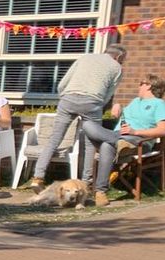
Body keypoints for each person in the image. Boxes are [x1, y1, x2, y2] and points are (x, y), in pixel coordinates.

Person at [28, 43, 127, 191]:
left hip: (68, 98)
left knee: (54, 139)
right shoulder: (117, 68)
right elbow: (108, 95)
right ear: (118, 57)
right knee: (90, 143)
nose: (121, 62)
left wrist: (65, 97)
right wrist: (98, 105)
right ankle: (86, 182)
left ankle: (38, 177)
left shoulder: (85, 57)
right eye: (122, 60)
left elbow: (63, 84)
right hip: (92, 102)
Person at [79, 73, 165, 207]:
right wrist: (117, 106)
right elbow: (122, 114)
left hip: (138, 140)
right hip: (118, 136)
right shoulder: (135, 101)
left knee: (106, 145)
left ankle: (100, 191)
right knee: (87, 124)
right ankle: (118, 145)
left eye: (141, 83)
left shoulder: (159, 104)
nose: (138, 86)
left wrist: (135, 131)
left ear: (149, 86)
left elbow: (163, 130)